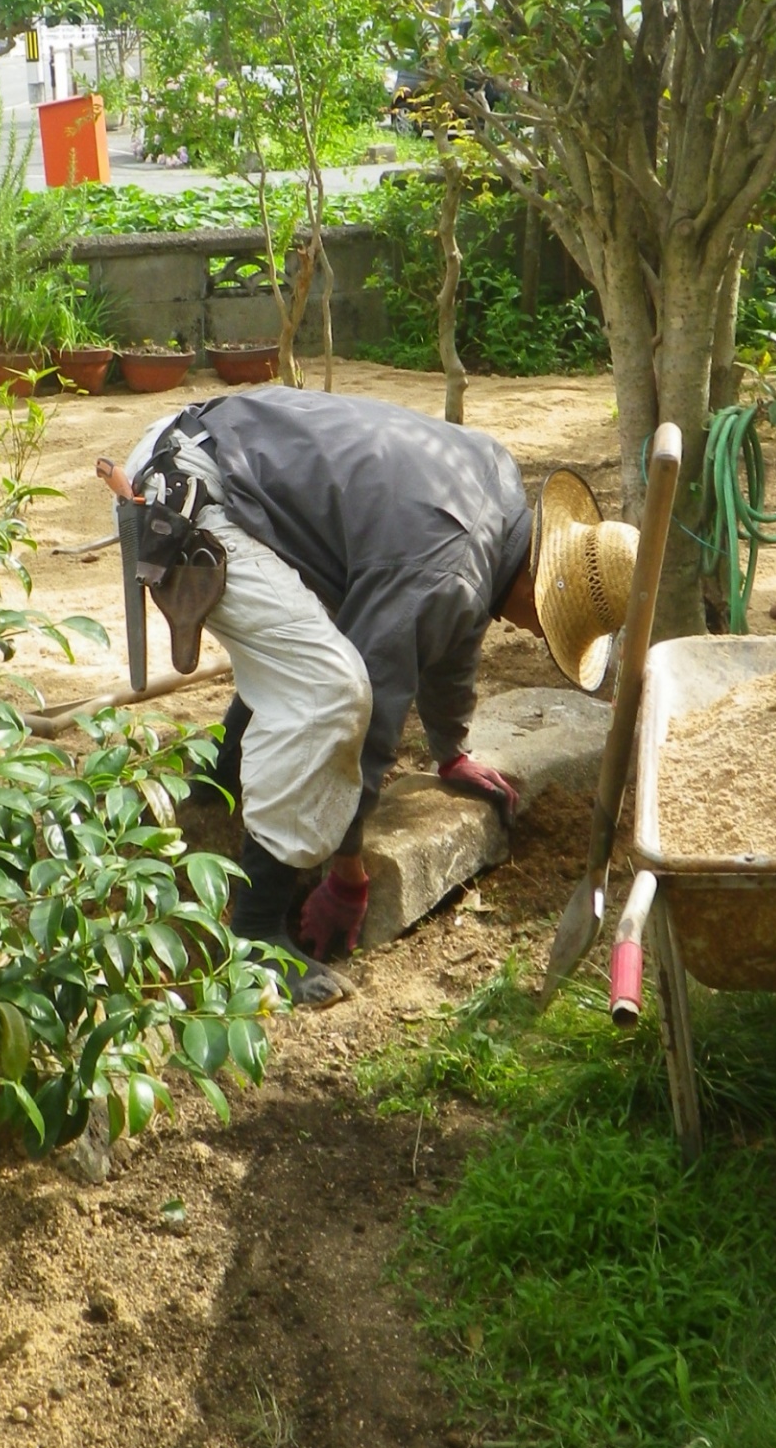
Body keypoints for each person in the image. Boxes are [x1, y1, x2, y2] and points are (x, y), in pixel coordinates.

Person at [101, 390, 636, 1004]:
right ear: (535, 585)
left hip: (207, 443)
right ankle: (255, 930)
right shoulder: (453, 568)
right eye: (548, 620)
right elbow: (375, 703)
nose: (533, 631)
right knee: (329, 689)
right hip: (186, 497)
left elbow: (455, 627)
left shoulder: (496, 485)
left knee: (310, 647)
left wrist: (451, 748)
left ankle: (215, 784)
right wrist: (347, 866)